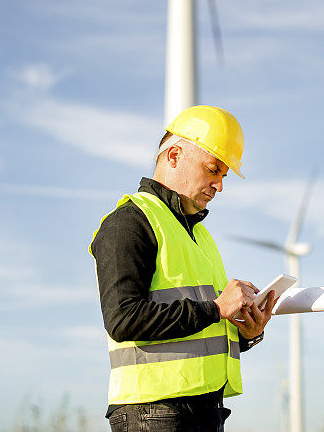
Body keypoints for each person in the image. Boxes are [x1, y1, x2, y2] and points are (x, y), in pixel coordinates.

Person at [89, 105, 277, 431]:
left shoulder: (200, 235)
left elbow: (201, 330)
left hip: (205, 411)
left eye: (223, 176)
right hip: (154, 415)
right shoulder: (130, 222)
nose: (219, 185)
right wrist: (218, 308)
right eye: (212, 170)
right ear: (174, 155)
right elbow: (123, 319)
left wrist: (247, 333)